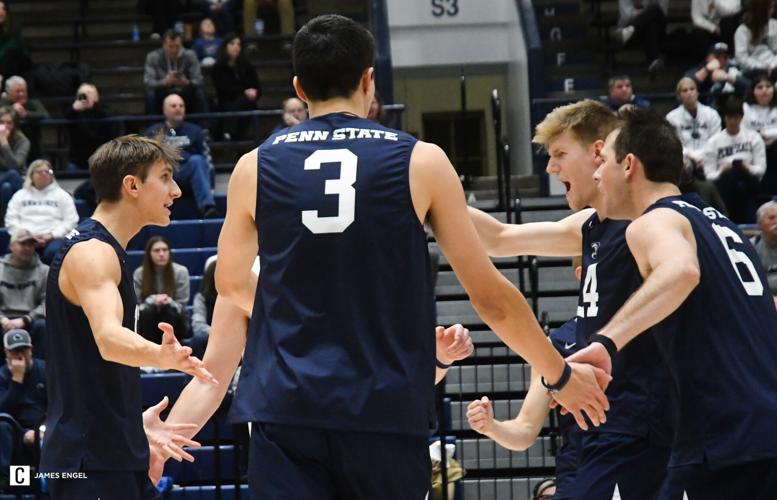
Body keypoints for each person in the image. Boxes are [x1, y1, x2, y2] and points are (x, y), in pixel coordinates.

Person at [159, 14, 610, 499]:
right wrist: (558, 373)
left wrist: (311, 309)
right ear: (369, 79)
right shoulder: (423, 160)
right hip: (383, 412)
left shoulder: (253, 166)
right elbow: (491, 298)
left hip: (285, 412)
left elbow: (229, 285)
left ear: (298, 87)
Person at [468, 99, 671, 499]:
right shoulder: (591, 224)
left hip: (642, 421)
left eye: (560, 154)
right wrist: (427, 197)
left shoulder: (650, 220)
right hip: (605, 426)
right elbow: (498, 238)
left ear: (599, 152)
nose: (550, 167)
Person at [570, 108, 777, 498]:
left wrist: (606, 342)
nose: (596, 175)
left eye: (604, 162)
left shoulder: (652, 222)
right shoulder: (720, 224)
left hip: (726, 442)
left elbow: (681, 271)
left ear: (629, 165)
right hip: (760, 428)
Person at [40, 135, 216, 498]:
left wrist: (131, 426)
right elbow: (108, 340)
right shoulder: (93, 252)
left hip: (110, 452)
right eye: (165, 177)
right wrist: (162, 355)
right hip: (88, 464)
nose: (176, 191)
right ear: (132, 185)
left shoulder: (107, 250)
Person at [145, 94, 219, 218]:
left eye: (181, 105)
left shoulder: (195, 130)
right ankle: (154, 208)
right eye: (173, 106)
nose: (178, 108)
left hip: (188, 174)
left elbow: (207, 158)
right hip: (165, 174)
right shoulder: (153, 132)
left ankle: (208, 208)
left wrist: (211, 184)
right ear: (165, 110)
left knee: (197, 160)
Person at [703, 96, 766, 222]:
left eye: (736, 117)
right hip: (724, 182)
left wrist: (747, 166)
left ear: (741, 118)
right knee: (732, 178)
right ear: (724, 118)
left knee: (740, 178)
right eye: (729, 117)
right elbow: (709, 175)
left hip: (749, 179)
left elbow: (761, 169)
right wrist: (721, 170)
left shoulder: (753, 137)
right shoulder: (713, 142)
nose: (732, 121)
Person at [5, 160, 78, 265]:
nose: (44, 174)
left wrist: (51, 235)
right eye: (40, 171)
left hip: (54, 238)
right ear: (31, 175)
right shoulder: (19, 195)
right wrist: (27, 237)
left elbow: (71, 221)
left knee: (54, 252)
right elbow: (10, 220)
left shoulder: (63, 195)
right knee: (14, 251)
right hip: (25, 237)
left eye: (47, 171)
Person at [0, 329, 45, 488]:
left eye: (23, 350)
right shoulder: (2, 375)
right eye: (14, 351)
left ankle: (52, 486)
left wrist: (42, 429)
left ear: (31, 350)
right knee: (2, 425)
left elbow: (56, 405)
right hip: (15, 431)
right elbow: (3, 410)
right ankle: (6, 483)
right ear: (6, 353)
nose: (19, 355)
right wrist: (16, 382)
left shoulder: (45, 370)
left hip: (43, 429)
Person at [133, 236, 190, 344]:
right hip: (148, 320)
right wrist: (152, 300)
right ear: (149, 254)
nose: (161, 254)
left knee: (168, 311)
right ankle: (149, 352)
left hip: (175, 319)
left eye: (165, 250)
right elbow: (137, 307)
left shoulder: (181, 271)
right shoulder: (139, 273)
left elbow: (181, 306)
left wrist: (168, 301)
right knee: (148, 312)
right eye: (157, 250)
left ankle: (171, 349)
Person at [0, 229, 46, 359]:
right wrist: (3, 320)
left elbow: (47, 303)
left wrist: (25, 319)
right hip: (4, 318)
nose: (27, 248)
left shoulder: (44, 271)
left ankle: (39, 369)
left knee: (43, 326)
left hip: (31, 319)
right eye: (23, 244)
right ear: (11, 246)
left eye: (31, 245)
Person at [143, 31, 209, 115]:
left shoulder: (190, 55)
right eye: (170, 46)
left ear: (181, 44)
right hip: (163, 90)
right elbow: (148, 82)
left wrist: (187, 82)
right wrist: (165, 82)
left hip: (185, 90)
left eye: (177, 46)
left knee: (200, 92)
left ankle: (204, 126)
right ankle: (152, 125)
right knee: (150, 93)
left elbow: (198, 79)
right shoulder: (152, 56)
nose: (174, 50)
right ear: (164, 44)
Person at [211, 33, 261, 140]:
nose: (236, 47)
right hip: (226, 103)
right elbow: (222, 90)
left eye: (239, 44)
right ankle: (234, 135)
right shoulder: (218, 66)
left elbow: (258, 87)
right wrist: (244, 92)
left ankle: (232, 134)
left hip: (247, 102)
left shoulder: (246, 64)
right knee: (239, 103)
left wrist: (253, 92)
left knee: (247, 103)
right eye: (232, 43)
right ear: (225, 46)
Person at [666, 77, 721, 169]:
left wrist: (703, 156)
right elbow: (675, 144)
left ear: (697, 92)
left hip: (709, 156)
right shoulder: (671, 117)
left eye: (692, 89)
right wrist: (690, 155)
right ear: (679, 96)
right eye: (685, 90)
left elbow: (716, 140)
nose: (689, 93)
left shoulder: (711, 114)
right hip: (685, 159)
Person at [64, 83, 114, 171]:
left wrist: (93, 106)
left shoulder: (103, 110)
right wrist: (74, 110)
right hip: (78, 160)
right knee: (70, 168)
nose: (85, 96)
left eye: (89, 93)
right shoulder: (73, 112)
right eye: (82, 94)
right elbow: (65, 121)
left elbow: (108, 118)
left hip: (100, 159)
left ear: (96, 97)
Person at [687, 42, 750, 109]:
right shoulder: (699, 70)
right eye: (717, 57)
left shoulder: (733, 70)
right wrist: (706, 70)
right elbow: (684, 85)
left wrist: (727, 77)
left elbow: (751, 87)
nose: (722, 61)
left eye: (725, 57)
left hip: (727, 112)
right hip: (701, 111)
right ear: (708, 58)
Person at [0, 76, 48, 159]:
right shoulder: (3, 102)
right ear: (8, 93)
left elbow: (44, 114)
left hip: (33, 147)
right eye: (17, 92)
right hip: (6, 148)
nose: (21, 94)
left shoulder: (32, 101)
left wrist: (26, 114)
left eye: (23, 91)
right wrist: (11, 109)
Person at [744, 73, 777, 193]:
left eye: (768, 86)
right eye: (760, 87)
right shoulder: (746, 108)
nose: (764, 90)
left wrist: (770, 137)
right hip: (753, 148)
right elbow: (744, 132)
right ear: (753, 91)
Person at [613, 0, 666, 72]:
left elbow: (662, 12)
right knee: (651, 24)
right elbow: (626, 16)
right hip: (634, 33)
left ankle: (630, 30)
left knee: (655, 10)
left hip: (656, 31)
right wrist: (645, 13)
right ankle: (654, 61)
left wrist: (642, 12)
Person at [733, 0, 777, 80]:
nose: (772, 11)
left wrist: (773, 65)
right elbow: (741, 58)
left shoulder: (774, 24)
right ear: (760, 10)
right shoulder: (742, 31)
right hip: (754, 70)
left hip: (773, 66)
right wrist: (762, 67)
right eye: (770, 8)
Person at [0, 106, 25, 217]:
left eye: (9, 123)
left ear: (14, 125)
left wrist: (4, 144)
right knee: (12, 174)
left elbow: (15, 166)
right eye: (1, 122)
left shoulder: (22, 141)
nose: (4, 126)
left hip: (13, 179)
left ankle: (4, 225)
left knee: (7, 187)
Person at [189, 256, 217, 359]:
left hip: (234, 336)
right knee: (199, 339)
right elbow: (198, 325)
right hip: (211, 334)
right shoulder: (202, 297)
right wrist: (220, 333)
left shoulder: (235, 296)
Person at [752, 200, 777, 298]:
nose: (776, 222)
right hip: (763, 300)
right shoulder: (750, 247)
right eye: (771, 218)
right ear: (759, 223)